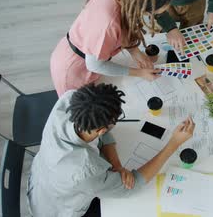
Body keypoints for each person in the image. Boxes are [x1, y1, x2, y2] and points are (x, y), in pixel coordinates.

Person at [27, 83, 195, 217]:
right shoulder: (85, 170)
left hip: (43, 177)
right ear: (101, 129)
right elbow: (132, 186)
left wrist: (117, 166)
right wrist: (173, 143)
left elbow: (102, 134)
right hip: (58, 209)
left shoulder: (71, 99)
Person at [50, 0, 171, 96]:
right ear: (142, 9)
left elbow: (125, 22)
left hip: (86, 54)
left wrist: (135, 52)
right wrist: (139, 73)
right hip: (74, 69)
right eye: (154, 13)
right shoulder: (108, 24)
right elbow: (95, 65)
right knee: (83, 111)